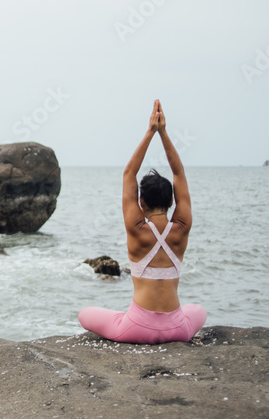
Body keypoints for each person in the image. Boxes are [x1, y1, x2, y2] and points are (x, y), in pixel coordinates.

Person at [78, 100, 207, 343]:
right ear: (171, 202)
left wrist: (151, 131)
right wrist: (164, 133)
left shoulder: (136, 228)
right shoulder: (182, 227)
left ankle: (124, 318)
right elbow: (179, 174)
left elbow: (129, 173)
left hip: (136, 328)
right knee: (199, 310)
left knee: (84, 314)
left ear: (142, 203)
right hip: (177, 329)